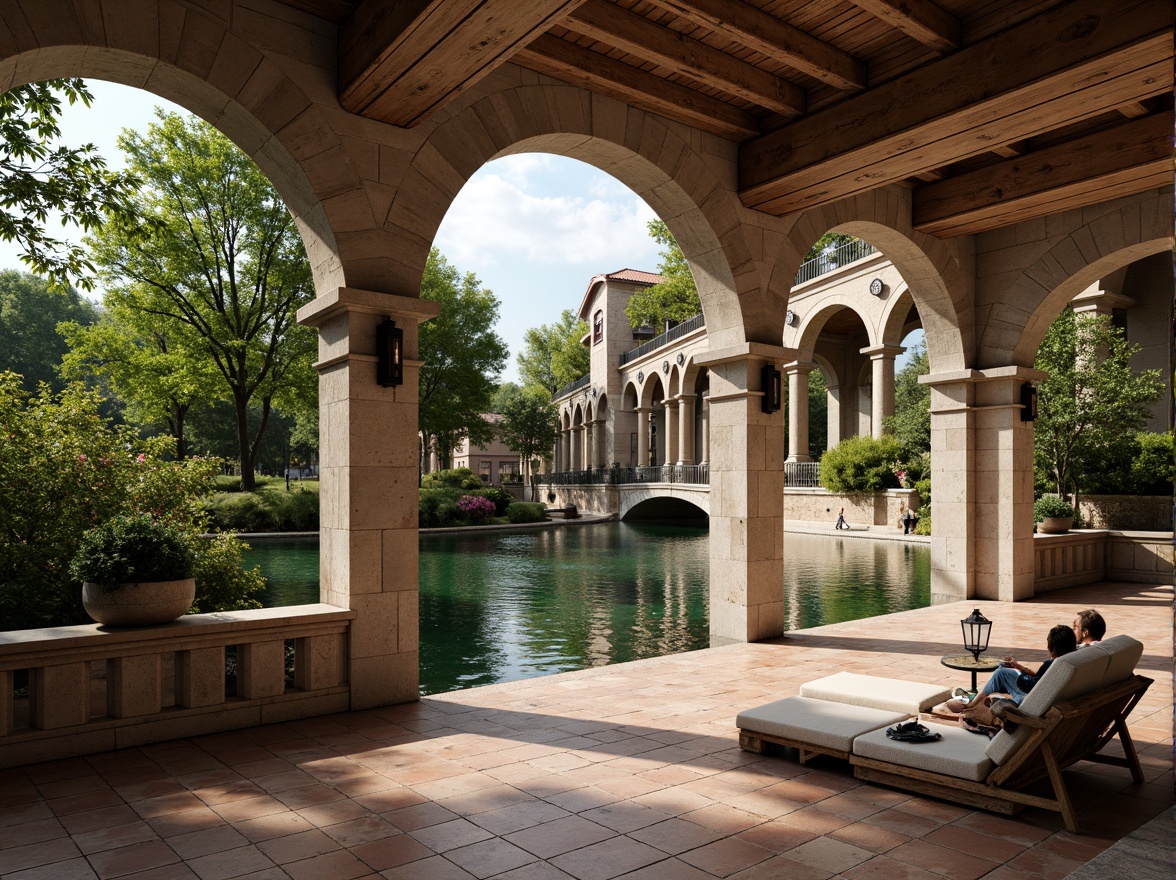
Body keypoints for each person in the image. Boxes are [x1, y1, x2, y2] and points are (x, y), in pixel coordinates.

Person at [949, 624, 1077, 711]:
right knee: (1003, 669)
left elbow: (1029, 686)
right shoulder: (1071, 660)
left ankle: (971, 704)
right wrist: (1019, 667)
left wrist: (1020, 674)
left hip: (1030, 702)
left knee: (1001, 673)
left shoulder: (1051, 664)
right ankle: (980, 694)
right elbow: (1040, 679)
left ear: (1051, 647)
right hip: (1050, 698)